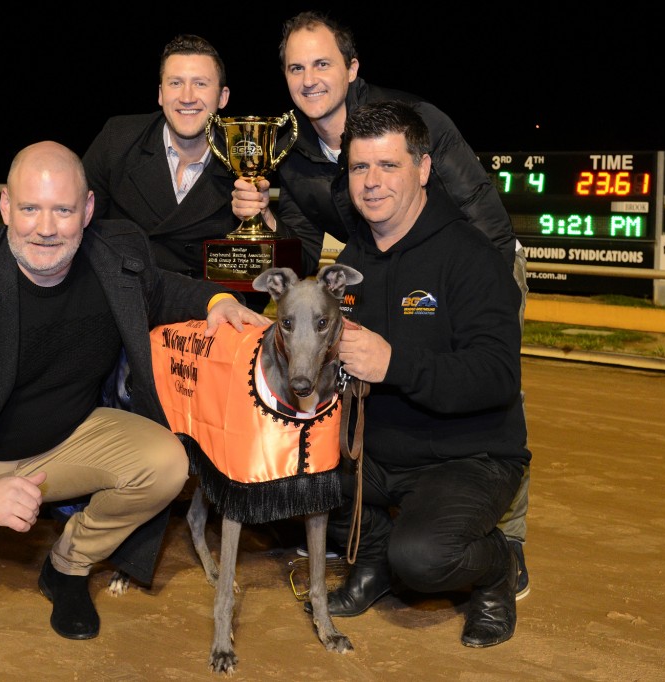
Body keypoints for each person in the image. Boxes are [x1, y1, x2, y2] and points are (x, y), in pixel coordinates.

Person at [0, 141, 268, 646]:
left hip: (65, 439)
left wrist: (216, 298)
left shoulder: (117, 253)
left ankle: (67, 565)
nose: (46, 227)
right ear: (5, 207)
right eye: (30, 208)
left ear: (87, 210)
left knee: (165, 464)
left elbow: (162, 288)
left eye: (63, 209)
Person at [231, 10, 531, 597]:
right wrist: (266, 221)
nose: (310, 77)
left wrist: (492, 281)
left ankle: (506, 542)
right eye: (297, 67)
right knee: (367, 399)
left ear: (352, 68)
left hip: (474, 255)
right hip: (380, 255)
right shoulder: (289, 149)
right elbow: (313, 242)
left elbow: (476, 204)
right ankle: (367, 537)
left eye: (322, 63)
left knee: (488, 389)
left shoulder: (411, 121)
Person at [310, 100, 529, 648]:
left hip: (467, 454)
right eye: (360, 167)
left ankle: (498, 566)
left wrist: (395, 364)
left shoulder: (471, 256)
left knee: (426, 559)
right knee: (293, 474)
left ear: (424, 169)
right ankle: (376, 559)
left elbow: (497, 375)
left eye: (389, 166)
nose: (372, 182)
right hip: (380, 452)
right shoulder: (353, 257)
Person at [82, 34, 269, 313]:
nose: (187, 97)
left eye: (200, 84)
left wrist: (265, 219)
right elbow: (79, 226)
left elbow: (261, 274)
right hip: (125, 307)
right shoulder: (117, 141)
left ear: (222, 97)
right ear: (160, 93)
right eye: (175, 83)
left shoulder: (246, 158)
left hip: (208, 318)